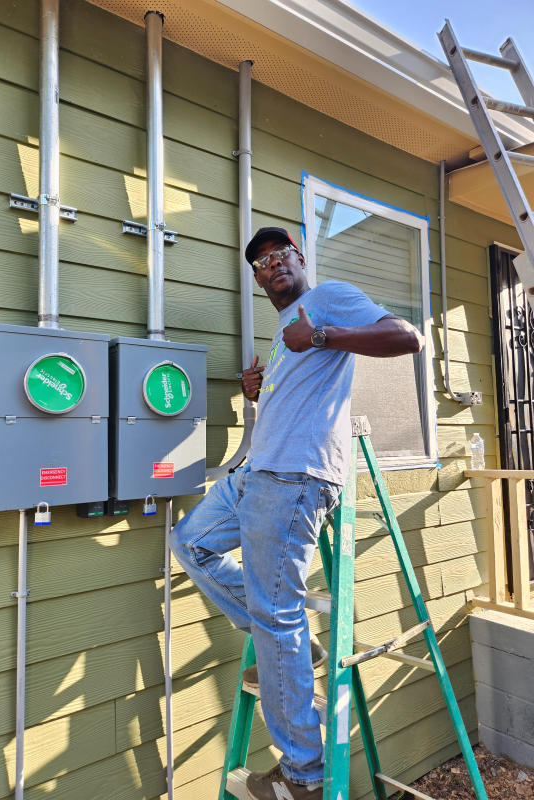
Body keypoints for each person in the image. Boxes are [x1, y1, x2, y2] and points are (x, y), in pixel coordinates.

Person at [169, 226, 422, 800]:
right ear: (257, 278)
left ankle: (304, 774)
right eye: (261, 262)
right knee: (191, 542)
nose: (272, 264)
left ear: (300, 258)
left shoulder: (326, 298)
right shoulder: (286, 332)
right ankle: (288, 645)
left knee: (276, 609)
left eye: (281, 254)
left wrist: (326, 335)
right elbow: (302, 380)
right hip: (255, 474)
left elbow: (405, 337)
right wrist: (259, 389)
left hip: (294, 477)